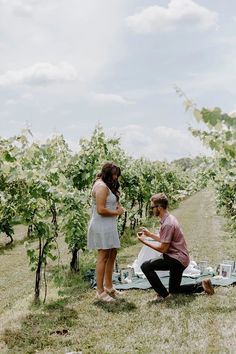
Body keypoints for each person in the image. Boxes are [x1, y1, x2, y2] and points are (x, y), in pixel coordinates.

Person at [137, 192, 214, 300]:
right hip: (180, 257)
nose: (151, 209)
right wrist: (149, 235)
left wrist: (144, 241)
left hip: (176, 259)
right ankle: (202, 285)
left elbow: (163, 248)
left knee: (145, 266)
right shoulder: (168, 218)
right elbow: (165, 240)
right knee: (174, 289)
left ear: (159, 207)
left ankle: (164, 295)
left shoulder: (168, 223)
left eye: (152, 207)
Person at [87, 162, 124, 302]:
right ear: (108, 174)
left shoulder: (106, 184)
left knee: (112, 252)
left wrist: (117, 205)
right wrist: (117, 212)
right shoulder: (101, 186)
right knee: (103, 255)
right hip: (101, 225)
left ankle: (109, 286)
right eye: (114, 175)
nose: (116, 178)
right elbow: (101, 210)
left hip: (109, 225)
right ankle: (100, 291)